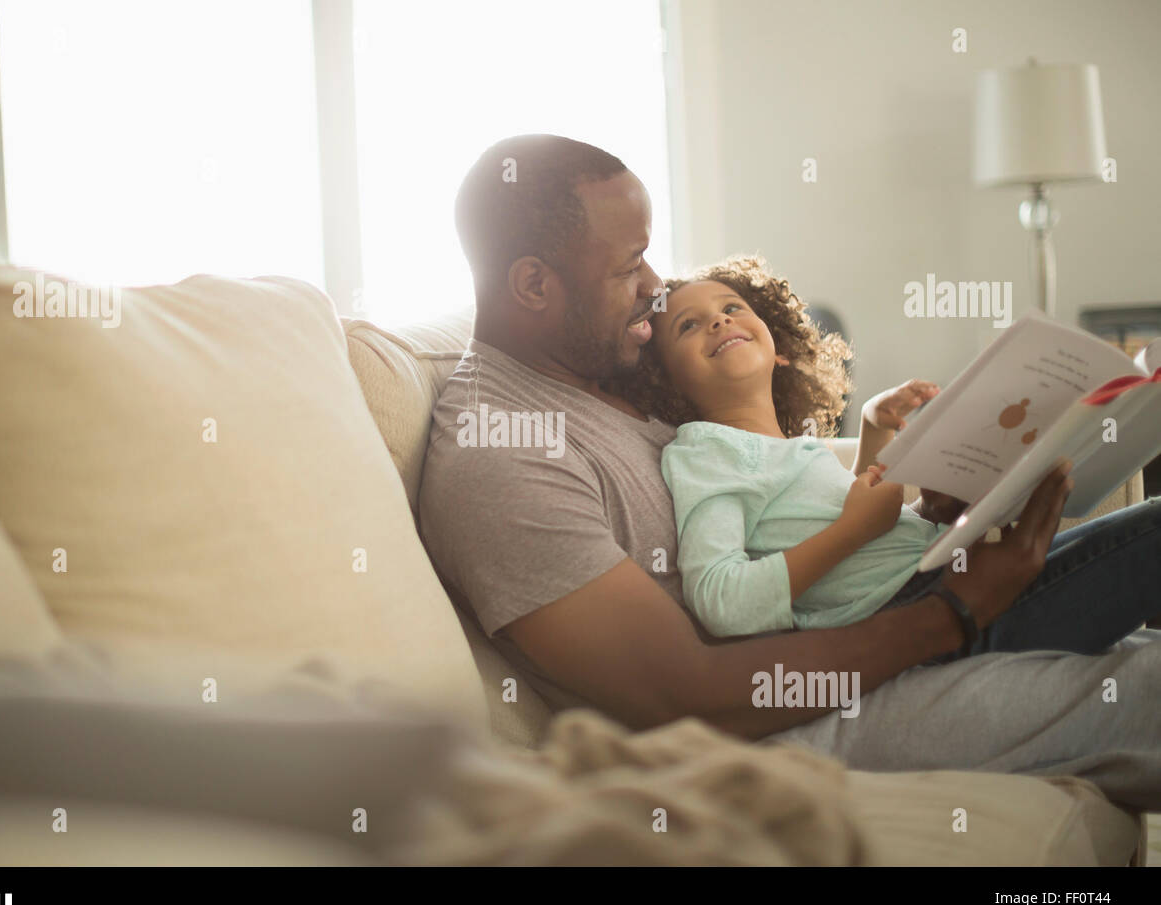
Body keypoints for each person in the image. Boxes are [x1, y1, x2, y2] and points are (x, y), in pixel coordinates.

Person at [417, 133, 1161, 810]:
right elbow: (685, 695)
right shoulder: (500, 457)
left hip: (870, 629)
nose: (654, 283)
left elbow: (778, 489)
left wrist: (923, 511)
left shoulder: (610, 367)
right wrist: (953, 614)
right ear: (533, 285)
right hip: (778, 725)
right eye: (627, 265)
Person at [609, 255, 1161, 657]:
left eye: (731, 307)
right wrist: (852, 531)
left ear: (779, 349)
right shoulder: (707, 453)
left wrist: (878, 436)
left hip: (941, 577)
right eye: (688, 325)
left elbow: (842, 517)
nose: (719, 320)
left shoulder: (788, 447)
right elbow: (721, 601)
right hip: (924, 617)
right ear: (665, 383)